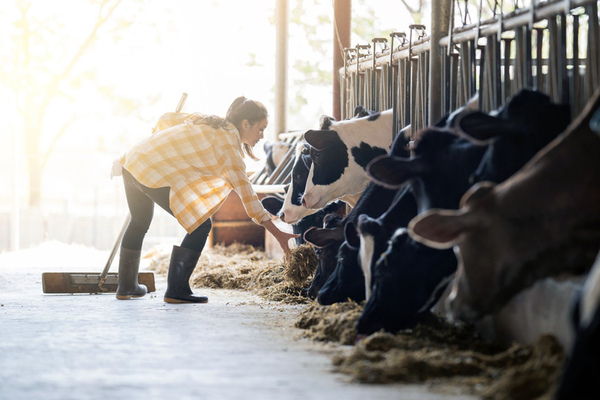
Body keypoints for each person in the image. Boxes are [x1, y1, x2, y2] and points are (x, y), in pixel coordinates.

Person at [114, 96, 299, 303]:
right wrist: (279, 234)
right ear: (245, 124)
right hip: (150, 170)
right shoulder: (229, 150)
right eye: (261, 128)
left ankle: (126, 286)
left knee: (138, 223)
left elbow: (167, 118)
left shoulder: (207, 120)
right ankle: (177, 290)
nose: (262, 135)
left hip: (132, 160)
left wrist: (157, 141)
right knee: (202, 225)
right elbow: (249, 199)